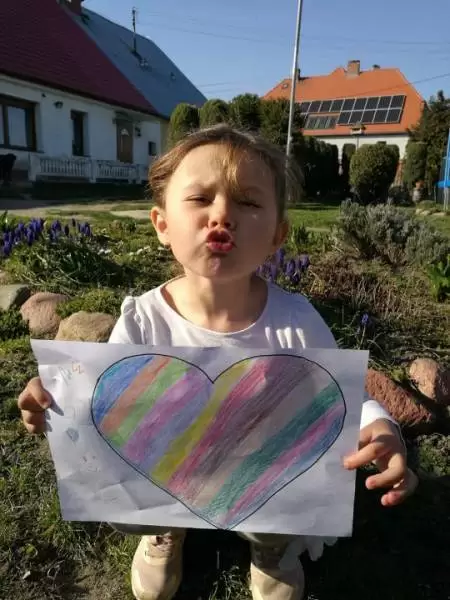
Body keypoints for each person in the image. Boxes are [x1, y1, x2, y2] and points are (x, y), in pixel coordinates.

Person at [18, 125, 418, 600]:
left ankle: (271, 546)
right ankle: (164, 529)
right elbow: (107, 404)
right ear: (162, 224)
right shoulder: (143, 321)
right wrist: (58, 402)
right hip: (172, 465)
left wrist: (379, 427)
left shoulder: (296, 323)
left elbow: (342, 400)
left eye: (248, 202)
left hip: (262, 471)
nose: (222, 214)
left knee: (292, 484)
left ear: (277, 235)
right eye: (200, 198)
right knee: (130, 480)